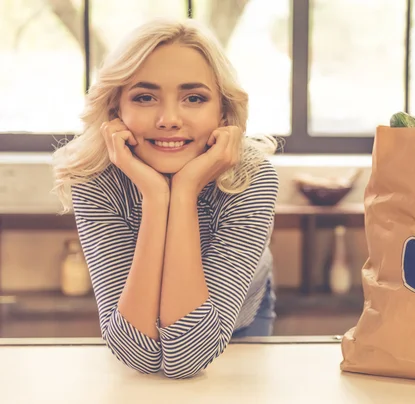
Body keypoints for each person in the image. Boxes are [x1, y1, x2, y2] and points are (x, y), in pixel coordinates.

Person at [51, 18, 279, 379]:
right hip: (143, 321)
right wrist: (157, 198)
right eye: (145, 97)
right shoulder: (95, 179)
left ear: (222, 110)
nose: (169, 119)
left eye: (194, 98)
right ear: (115, 110)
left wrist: (185, 191)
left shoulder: (251, 177)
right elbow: (136, 353)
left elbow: (187, 357)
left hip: (239, 320)